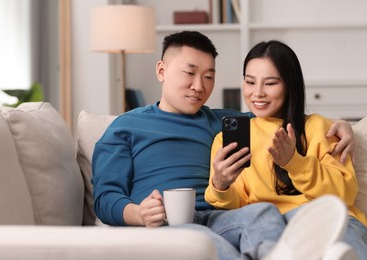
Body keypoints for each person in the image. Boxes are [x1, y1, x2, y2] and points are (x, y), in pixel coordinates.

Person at [92, 31, 355, 259]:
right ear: (162, 70)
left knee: (262, 213)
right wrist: (139, 214)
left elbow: (278, 114)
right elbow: (105, 198)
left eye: (208, 76)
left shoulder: (224, 122)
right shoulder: (125, 127)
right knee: (205, 243)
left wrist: (343, 126)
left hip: (218, 216)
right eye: (190, 73)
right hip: (165, 221)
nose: (199, 86)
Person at [205, 40, 367, 259]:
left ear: (290, 85)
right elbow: (242, 208)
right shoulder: (229, 138)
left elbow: (344, 194)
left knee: (342, 242)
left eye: (270, 83)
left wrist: (294, 162)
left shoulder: (320, 128)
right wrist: (220, 185)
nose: (257, 93)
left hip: (331, 219)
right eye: (250, 82)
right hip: (276, 228)